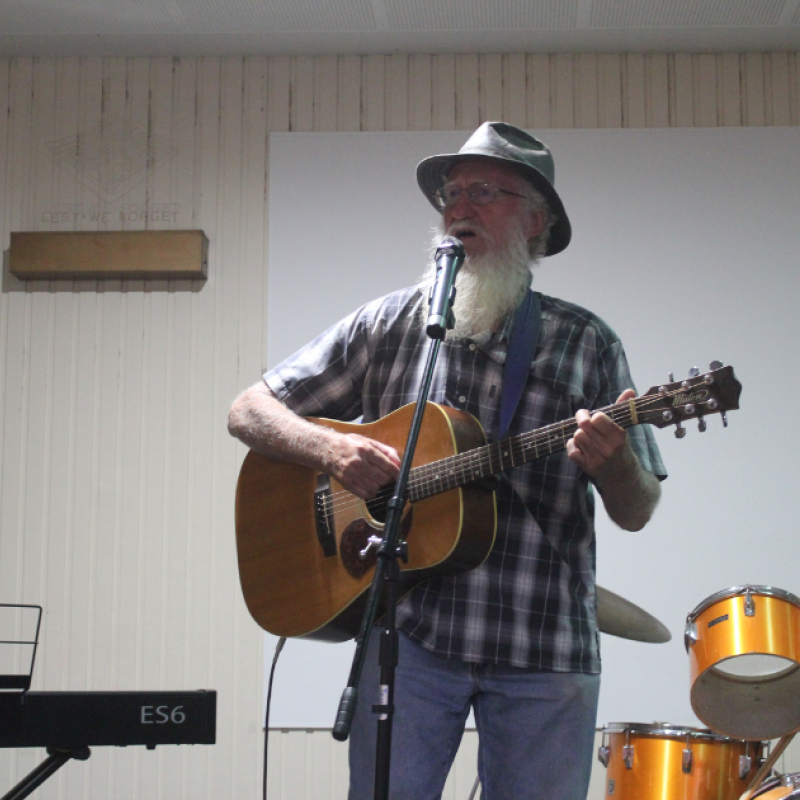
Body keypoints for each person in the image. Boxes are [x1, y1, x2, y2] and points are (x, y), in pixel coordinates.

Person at [228, 122, 667, 799]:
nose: (459, 206)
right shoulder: (390, 325)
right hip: (409, 642)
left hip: (543, 643)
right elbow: (248, 410)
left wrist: (612, 465)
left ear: (536, 220)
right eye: (451, 193)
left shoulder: (585, 341)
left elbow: (637, 510)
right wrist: (331, 447)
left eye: (485, 191)